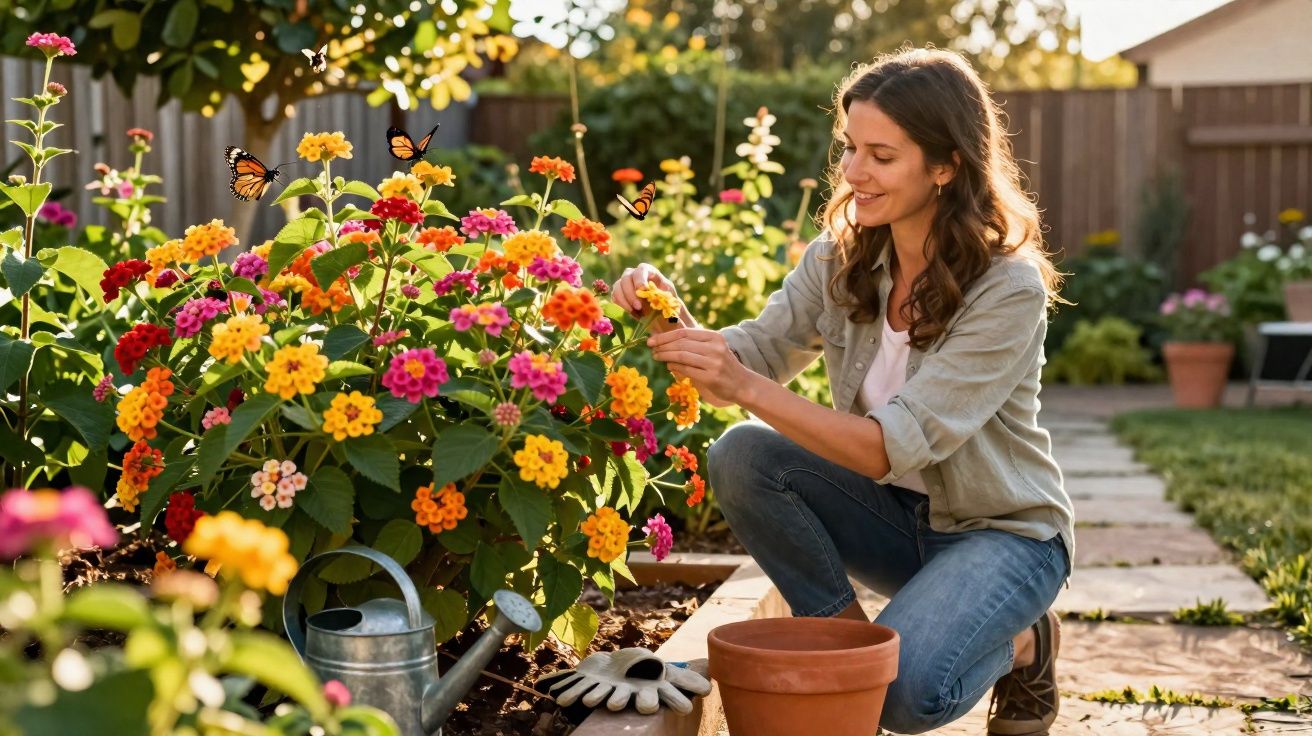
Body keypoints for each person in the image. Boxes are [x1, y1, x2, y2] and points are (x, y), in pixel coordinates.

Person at [610, 46, 1075, 735]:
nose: (854, 172)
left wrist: (741, 383)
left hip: (1001, 534)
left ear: (946, 166)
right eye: (850, 148)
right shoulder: (842, 255)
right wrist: (669, 315)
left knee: (907, 698)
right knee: (742, 454)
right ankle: (848, 658)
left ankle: (1027, 643)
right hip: (894, 523)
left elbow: (885, 448)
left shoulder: (1005, 287)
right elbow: (756, 356)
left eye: (882, 157)